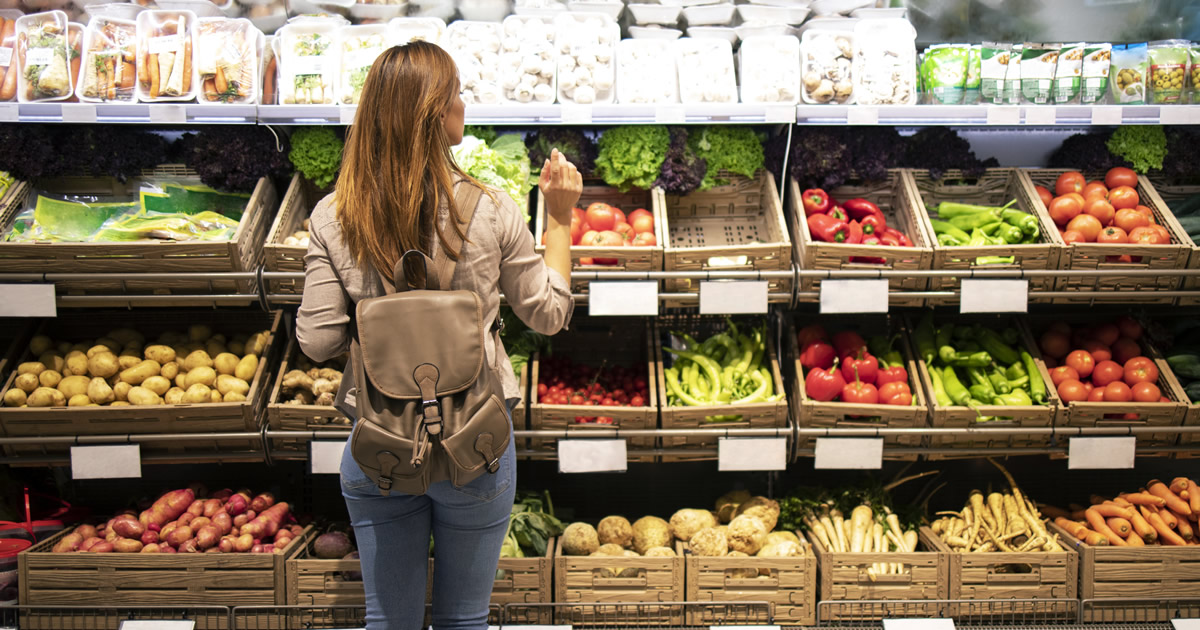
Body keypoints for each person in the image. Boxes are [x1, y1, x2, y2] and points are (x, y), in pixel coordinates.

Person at [296, 41, 582, 630]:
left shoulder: (333, 216)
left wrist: (376, 323)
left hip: (380, 445)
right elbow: (549, 313)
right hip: (477, 446)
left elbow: (318, 342)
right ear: (434, 113)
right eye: (455, 92)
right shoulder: (492, 209)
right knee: (464, 620)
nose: (463, 103)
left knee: (388, 620)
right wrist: (558, 217)